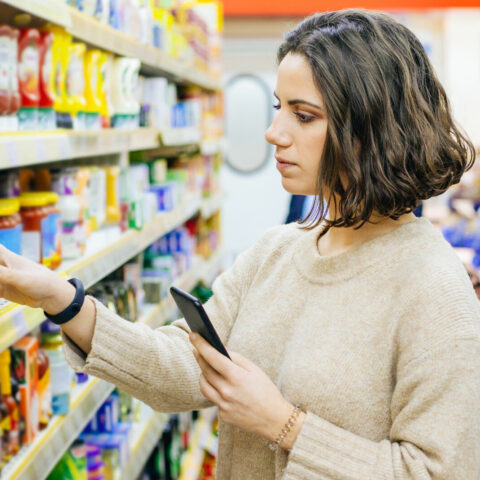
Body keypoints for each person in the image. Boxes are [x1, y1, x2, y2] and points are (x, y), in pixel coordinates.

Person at [0, 9, 478, 480]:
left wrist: (284, 425)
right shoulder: (276, 252)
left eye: (303, 115)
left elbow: (437, 472)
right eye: (278, 108)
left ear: (370, 131)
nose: (274, 133)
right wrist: (60, 299)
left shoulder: (433, 289)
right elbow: (188, 369)